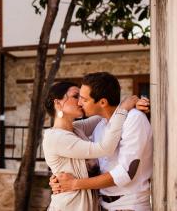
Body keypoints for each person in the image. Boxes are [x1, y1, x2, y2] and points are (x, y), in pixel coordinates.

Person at [50, 72, 153, 211]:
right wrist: (58, 178)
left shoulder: (134, 119)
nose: (79, 103)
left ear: (102, 102)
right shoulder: (100, 126)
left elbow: (126, 173)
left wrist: (74, 184)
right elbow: (92, 163)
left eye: (84, 99)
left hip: (128, 205)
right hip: (101, 205)